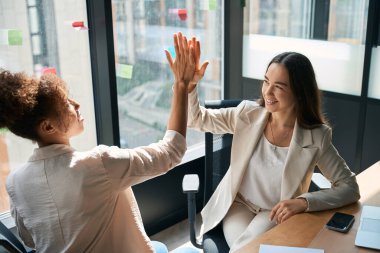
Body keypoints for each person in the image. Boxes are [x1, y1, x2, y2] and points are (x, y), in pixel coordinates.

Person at [0, 32, 198, 253]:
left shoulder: (14, 182)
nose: (76, 104)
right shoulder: (97, 164)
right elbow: (172, 151)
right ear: (47, 127)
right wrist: (181, 85)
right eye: (66, 103)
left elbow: (29, 240)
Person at [187, 51, 360, 252]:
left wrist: (304, 202)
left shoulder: (316, 137)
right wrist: (190, 86)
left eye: (278, 87)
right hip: (239, 205)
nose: (267, 92)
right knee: (244, 248)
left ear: (300, 92)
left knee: (246, 248)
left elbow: (349, 187)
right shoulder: (247, 114)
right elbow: (197, 119)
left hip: (273, 212)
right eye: (266, 81)